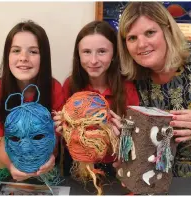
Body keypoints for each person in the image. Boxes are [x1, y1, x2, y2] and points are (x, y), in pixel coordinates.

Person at [116, 2, 191, 177]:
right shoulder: (131, 74)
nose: (141, 44)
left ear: (168, 31)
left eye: (150, 33)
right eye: (132, 38)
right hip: (151, 170)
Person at [54, 20, 140, 177]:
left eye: (102, 51)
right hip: (76, 163)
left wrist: (124, 134)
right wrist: (60, 126)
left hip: (115, 165)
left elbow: (138, 137)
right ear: (78, 55)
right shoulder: (70, 85)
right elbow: (60, 132)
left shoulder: (127, 89)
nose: (93, 61)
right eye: (86, 52)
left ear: (114, 54)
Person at [0, 20, 65, 181]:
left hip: (45, 172)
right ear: (7, 55)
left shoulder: (55, 89)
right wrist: (12, 166)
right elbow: (3, 140)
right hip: (6, 172)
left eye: (33, 52)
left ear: (44, 57)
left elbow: (54, 138)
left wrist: (50, 157)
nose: (23, 58)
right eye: (16, 50)